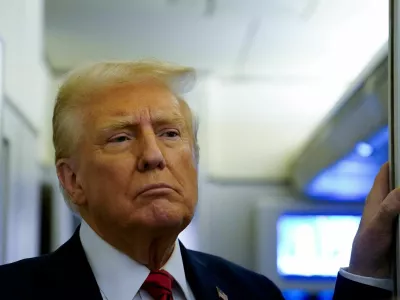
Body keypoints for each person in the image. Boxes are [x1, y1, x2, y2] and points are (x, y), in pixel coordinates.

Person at [0, 60, 395, 300]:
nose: (154, 156)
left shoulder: (252, 296)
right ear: (72, 180)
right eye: (121, 137)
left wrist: (367, 270)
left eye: (171, 134)